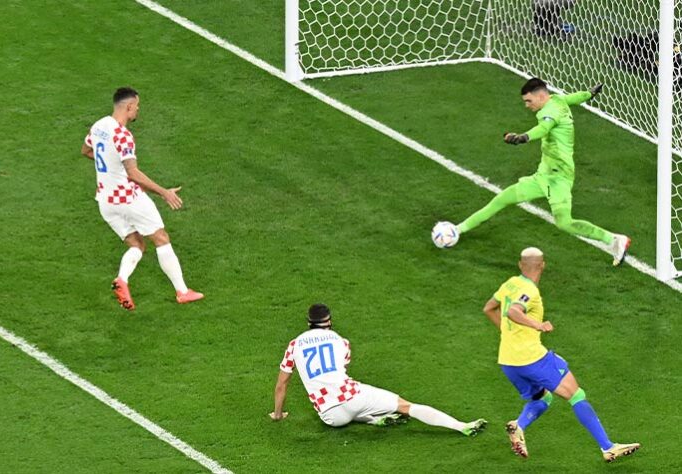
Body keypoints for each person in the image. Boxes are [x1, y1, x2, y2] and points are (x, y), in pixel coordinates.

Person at [482, 247, 640, 462]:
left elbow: (489, 308)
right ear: (543, 265)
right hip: (532, 358)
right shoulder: (530, 290)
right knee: (576, 394)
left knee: (543, 398)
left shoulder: (510, 283)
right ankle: (608, 447)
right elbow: (513, 311)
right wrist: (537, 324)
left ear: (520, 265)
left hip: (508, 361)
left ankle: (519, 426)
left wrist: (507, 333)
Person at [456, 78, 631, 266]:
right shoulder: (557, 100)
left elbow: (543, 128)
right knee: (503, 198)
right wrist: (590, 93)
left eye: (529, 101)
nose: (526, 105)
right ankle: (458, 230)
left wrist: (523, 137)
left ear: (541, 96)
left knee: (564, 223)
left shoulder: (549, 112)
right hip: (544, 175)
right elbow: (575, 98)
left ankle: (614, 240)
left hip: (559, 177)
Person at [269, 304, 487, 436]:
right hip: (352, 397)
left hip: (330, 416)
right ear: (329, 321)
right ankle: (461, 426)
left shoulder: (294, 345)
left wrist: (278, 415)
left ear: (308, 322)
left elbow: (282, 385)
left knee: (347, 410)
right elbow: (341, 367)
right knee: (405, 406)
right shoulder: (340, 341)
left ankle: (374, 419)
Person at [81, 87, 203, 310]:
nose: (138, 110)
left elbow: (86, 151)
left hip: (105, 201)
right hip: (128, 198)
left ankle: (122, 280)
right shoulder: (123, 135)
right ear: (128, 107)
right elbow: (133, 173)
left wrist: (109, 171)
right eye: (137, 106)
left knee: (137, 244)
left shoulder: (99, 126)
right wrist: (164, 192)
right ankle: (183, 291)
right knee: (160, 238)